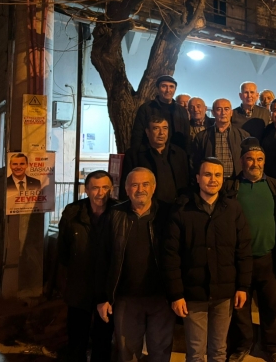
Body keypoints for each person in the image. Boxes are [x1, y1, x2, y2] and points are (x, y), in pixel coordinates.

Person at [162, 157, 253, 362]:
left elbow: (243, 250)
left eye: (218, 175)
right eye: (208, 174)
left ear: (223, 179)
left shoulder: (233, 209)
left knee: (219, 350)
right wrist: (176, 294)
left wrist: (243, 286)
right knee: (195, 352)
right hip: (193, 294)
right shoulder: (182, 211)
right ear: (198, 178)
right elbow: (171, 256)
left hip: (224, 293)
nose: (213, 179)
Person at [228, 138, 276, 362]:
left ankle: (271, 347)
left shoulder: (275, 186)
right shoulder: (230, 188)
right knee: (240, 308)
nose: (255, 163)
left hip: (270, 258)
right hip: (239, 261)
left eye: (259, 159)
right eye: (250, 159)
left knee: (273, 307)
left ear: (264, 162)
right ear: (241, 161)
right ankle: (243, 345)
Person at [95, 168, 174, 362]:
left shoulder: (167, 214)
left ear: (153, 187)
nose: (140, 189)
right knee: (127, 354)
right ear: (126, 189)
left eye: (145, 184)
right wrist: (103, 297)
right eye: (135, 185)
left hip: (161, 299)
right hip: (126, 299)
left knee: (160, 354)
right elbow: (102, 258)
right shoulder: (114, 215)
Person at [58, 170, 116, 362]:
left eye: (105, 187)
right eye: (95, 188)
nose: (100, 193)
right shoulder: (72, 212)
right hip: (79, 286)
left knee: (103, 338)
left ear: (111, 189)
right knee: (76, 338)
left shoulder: (118, 212)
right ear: (87, 190)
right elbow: (63, 250)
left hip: (107, 289)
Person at [120, 116, 189, 204]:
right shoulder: (134, 154)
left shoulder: (179, 153)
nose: (161, 133)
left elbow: (186, 182)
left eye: (165, 128)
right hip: (148, 207)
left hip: (176, 207)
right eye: (156, 128)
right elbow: (125, 186)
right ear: (147, 132)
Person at [193, 99, 249, 193]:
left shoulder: (243, 135)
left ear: (231, 112)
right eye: (219, 109)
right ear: (213, 112)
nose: (223, 113)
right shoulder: (201, 137)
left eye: (226, 109)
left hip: (236, 183)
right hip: (211, 183)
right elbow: (195, 162)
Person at [130, 75, 191, 152]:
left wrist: (187, 155)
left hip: (176, 154)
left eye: (171, 87)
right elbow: (137, 135)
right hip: (151, 153)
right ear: (158, 89)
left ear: (175, 90)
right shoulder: (146, 108)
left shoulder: (182, 110)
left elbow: (186, 137)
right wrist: (136, 154)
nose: (168, 90)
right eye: (164, 86)